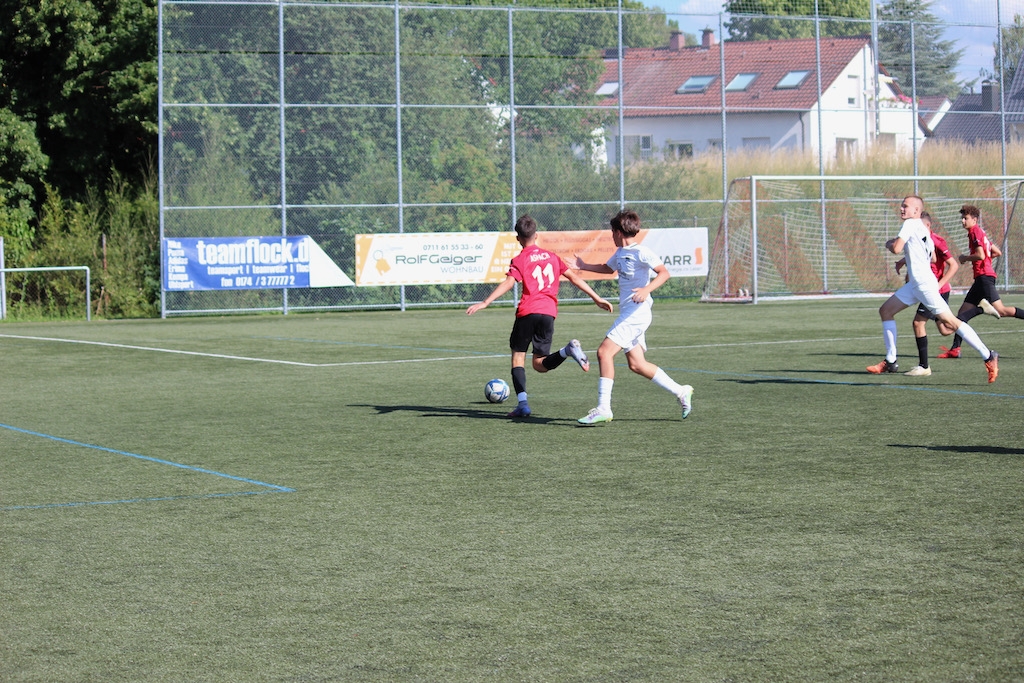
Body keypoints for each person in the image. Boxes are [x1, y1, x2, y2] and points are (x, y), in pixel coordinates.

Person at [467, 214, 613, 418]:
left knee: (518, 357)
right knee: (539, 364)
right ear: (536, 235)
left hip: (528, 311)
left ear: (518, 238)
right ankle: (567, 351)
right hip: (548, 313)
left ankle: (523, 405)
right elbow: (573, 278)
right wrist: (597, 298)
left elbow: (509, 282)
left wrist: (485, 302)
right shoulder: (552, 257)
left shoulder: (520, 259)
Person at [573, 209, 694, 424]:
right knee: (637, 364)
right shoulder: (620, 253)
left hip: (637, 314)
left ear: (619, 232)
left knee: (604, 352)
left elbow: (664, 273)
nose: (611, 235)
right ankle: (681, 391)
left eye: (612, 232)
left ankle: (604, 408)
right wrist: (583, 266)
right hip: (630, 313)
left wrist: (646, 290)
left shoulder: (642, 252)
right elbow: (607, 268)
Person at [867, 196, 998, 383]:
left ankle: (988, 355)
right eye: (902, 206)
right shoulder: (922, 229)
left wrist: (889, 243)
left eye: (905, 206)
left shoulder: (910, 224)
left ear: (916, 211)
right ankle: (891, 361)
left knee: (951, 323)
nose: (902, 209)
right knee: (886, 310)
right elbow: (933, 259)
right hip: (916, 284)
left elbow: (896, 248)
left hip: (923, 285)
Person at [938, 204, 1024, 359]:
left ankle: (982, 310)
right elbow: (996, 252)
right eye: (962, 218)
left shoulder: (974, 232)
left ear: (974, 220)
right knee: (962, 313)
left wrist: (965, 258)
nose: (963, 221)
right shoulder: (980, 233)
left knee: (1001, 311)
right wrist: (986, 260)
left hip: (984, 277)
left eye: (965, 218)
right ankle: (955, 349)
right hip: (981, 278)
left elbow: (981, 255)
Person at [893, 211, 958, 376]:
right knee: (944, 330)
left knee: (918, 323)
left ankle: (924, 366)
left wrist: (939, 285)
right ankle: (972, 314)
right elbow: (925, 258)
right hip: (925, 289)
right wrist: (902, 262)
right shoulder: (921, 238)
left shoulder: (937, 240)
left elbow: (953, 265)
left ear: (927, 225)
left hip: (934, 290)